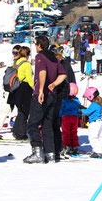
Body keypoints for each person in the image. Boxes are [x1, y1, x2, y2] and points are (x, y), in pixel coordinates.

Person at [24, 36, 67, 164]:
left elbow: (42, 72)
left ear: (38, 45)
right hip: (52, 95)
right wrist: (54, 83)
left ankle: (37, 152)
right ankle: (50, 153)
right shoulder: (53, 57)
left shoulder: (40, 57)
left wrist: (41, 90)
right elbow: (63, 74)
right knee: (47, 123)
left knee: (33, 123)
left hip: (41, 93)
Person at [6, 46, 33, 140]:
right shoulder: (26, 64)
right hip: (25, 89)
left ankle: (16, 130)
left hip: (16, 89)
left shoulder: (16, 62)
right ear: (27, 54)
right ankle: (21, 133)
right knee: (24, 112)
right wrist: (34, 87)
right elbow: (29, 78)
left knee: (20, 111)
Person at [81, 87, 102, 158]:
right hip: (100, 122)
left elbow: (87, 112)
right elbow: (90, 110)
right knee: (99, 137)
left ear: (90, 96)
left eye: (87, 98)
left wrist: (80, 110)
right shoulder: (98, 103)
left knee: (93, 138)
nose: (87, 99)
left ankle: (98, 151)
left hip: (94, 123)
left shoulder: (94, 104)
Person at [60, 83, 81, 156]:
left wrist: (59, 116)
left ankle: (67, 146)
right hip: (75, 118)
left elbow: (61, 109)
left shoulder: (64, 100)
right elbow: (79, 108)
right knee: (74, 132)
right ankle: (74, 146)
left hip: (66, 117)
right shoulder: (77, 100)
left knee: (66, 132)